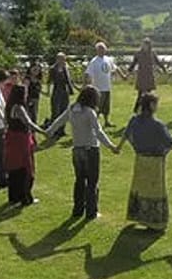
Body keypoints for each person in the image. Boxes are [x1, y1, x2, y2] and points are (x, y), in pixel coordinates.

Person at [116, 94, 172, 231]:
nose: (157, 107)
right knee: (154, 191)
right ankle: (154, 222)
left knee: (140, 188)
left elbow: (126, 135)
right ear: (150, 105)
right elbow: (170, 143)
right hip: (155, 162)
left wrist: (118, 148)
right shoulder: (157, 125)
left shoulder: (134, 121)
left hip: (140, 160)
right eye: (156, 104)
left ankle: (138, 216)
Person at [46, 86, 119, 220]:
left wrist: (49, 131)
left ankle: (77, 210)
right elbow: (98, 132)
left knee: (79, 181)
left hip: (77, 150)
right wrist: (111, 146)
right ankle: (92, 212)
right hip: (91, 150)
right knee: (92, 182)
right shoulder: (89, 112)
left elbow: (59, 121)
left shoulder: (72, 109)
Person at [3, 84, 48, 206]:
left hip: (12, 139)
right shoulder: (19, 108)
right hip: (21, 140)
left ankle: (14, 197)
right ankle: (26, 198)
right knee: (26, 169)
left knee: (14, 168)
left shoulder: (9, 105)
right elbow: (29, 123)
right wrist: (43, 131)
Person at [85, 41, 127, 128]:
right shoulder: (94, 61)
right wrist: (88, 85)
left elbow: (115, 68)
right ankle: (94, 123)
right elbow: (88, 74)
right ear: (97, 50)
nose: (102, 51)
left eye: (103, 49)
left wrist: (123, 76)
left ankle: (107, 121)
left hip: (107, 87)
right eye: (100, 49)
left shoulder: (108, 59)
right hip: (98, 88)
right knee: (98, 107)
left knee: (106, 106)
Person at [127, 38, 166, 113]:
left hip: (149, 75)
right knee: (140, 94)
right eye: (144, 44)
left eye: (146, 44)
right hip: (141, 75)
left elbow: (158, 62)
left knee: (148, 94)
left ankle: (147, 109)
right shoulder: (138, 53)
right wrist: (128, 73)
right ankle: (136, 109)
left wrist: (163, 69)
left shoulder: (152, 53)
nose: (145, 46)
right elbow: (133, 64)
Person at [48, 52, 76, 136]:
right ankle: (54, 130)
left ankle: (62, 130)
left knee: (64, 111)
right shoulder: (53, 69)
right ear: (57, 59)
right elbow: (49, 81)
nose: (63, 60)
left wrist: (74, 88)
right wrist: (48, 91)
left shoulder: (66, 68)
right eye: (61, 59)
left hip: (65, 91)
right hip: (57, 91)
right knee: (55, 111)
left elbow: (69, 80)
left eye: (64, 59)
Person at [25, 59, 43, 124]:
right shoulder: (28, 78)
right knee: (29, 114)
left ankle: (33, 130)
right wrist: (27, 99)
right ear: (30, 69)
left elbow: (39, 89)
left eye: (38, 70)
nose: (36, 71)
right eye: (35, 69)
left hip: (36, 98)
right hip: (29, 98)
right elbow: (25, 89)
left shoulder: (38, 79)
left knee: (35, 115)